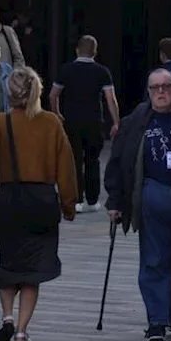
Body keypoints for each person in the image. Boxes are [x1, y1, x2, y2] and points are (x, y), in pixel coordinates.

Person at [105, 68, 171, 341]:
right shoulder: (135, 121)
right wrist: (115, 201)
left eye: (166, 86)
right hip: (153, 197)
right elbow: (118, 163)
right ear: (148, 92)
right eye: (155, 88)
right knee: (154, 261)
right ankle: (157, 321)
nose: (161, 92)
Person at [0, 68, 76, 341]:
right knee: (33, 271)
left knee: (9, 264)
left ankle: (7, 317)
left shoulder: (1, 123)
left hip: (11, 199)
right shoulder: (51, 123)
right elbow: (67, 168)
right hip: (42, 199)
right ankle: (22, 332)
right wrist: (68, 205)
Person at [49, 35, 120, 213]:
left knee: (74, 160)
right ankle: (93, 200)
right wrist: (116, 122)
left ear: (77, 50)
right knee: (93, 160)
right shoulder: (102, 72)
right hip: (95, 121)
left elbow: (53, 95)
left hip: (71, 121)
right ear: (95, 52)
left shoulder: (66, 70)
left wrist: (57, 113)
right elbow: (111, 99)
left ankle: (77, 199)